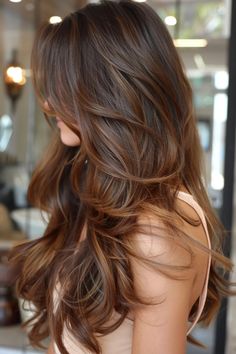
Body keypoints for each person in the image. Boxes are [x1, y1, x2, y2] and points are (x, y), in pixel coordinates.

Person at [9, 1, 235, 353]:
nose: (49, 104)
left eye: (61, 87)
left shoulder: (156, 228)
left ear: (108, 93)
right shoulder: (100, 199)